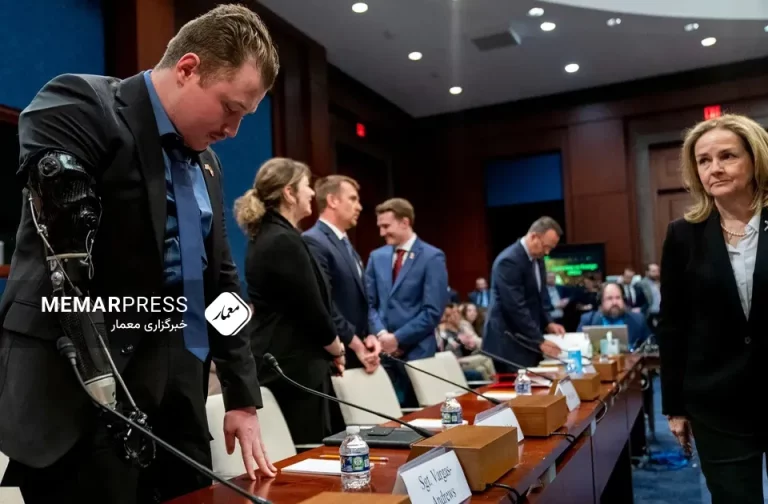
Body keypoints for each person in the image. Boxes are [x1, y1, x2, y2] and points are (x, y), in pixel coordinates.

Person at [0, 5, 278, 503]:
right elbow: (66, 243)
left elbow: (223, 286)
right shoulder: (80, 105)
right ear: (188, 69)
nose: (233, 130)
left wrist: (241, 395)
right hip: (83, 388)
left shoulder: (208, 166)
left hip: (179, 395)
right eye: (230, 108)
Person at [658, 114, 768, 504]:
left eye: (727, 156)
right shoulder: (682, 234)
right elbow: (673, 325)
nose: (714, 168)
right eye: (704, 160)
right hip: (717, 401)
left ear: (755, 159)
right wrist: (674, 406)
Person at [235, 158, 346, 446]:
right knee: (308, 458)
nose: (311, 193)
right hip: (294, 372)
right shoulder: (282, 240)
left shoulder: (271, 235)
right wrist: (337, 348)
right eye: (307, 186)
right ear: (289, 192)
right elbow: (311, 308)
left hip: (288, 365)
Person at [366, 198, 448, 406]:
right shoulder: (376, 257)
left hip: (418, 355)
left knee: (419, 415)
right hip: (383, 355)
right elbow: (368, 303)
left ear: (405, 222)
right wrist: (383, 335)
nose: (382, 232)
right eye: (380, 227)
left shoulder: (432, 257)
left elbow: (432, 311)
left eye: (386, 226)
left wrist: (398, 338)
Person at [302, 175, 381, 373]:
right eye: (353, 199)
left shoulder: (345, 243)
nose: (359, 207)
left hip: (358, 354)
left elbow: (362, 300)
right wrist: (355, 343)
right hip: (336, 358)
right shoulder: (314, 241)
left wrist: (370, 334)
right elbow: (325, 302)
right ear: (332, 201)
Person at [481, 217, 566, 372]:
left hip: (526, 339)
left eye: (550, 248)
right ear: (534, 237)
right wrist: (539, 340)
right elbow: (516, 307)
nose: (547, 252)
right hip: (508, 343)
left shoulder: (538, 259)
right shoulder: (509, 261)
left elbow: (538, 299)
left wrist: (548, 323)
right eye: (546, 246)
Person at [577, 282, 649, 351]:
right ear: (601, 302)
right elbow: (578, 347)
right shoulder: (588, 320)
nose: (615, 302)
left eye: (618, 298)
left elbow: (650, 347)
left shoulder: (638, 320)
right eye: (609, 298)